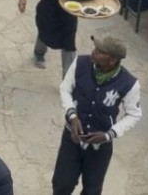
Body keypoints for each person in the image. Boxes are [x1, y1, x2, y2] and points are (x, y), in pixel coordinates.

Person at [53, 35, 142, 195]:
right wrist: (72, 116)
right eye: (95, 48)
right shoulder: (80, 63)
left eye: (100, 52)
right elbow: (65, 89)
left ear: (112, 60)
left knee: (92, 191)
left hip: (100, 147)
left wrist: (109, 134)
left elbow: (133, 114)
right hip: (72, 138)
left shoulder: (129, 83)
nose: (93, 52)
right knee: (61, 184)